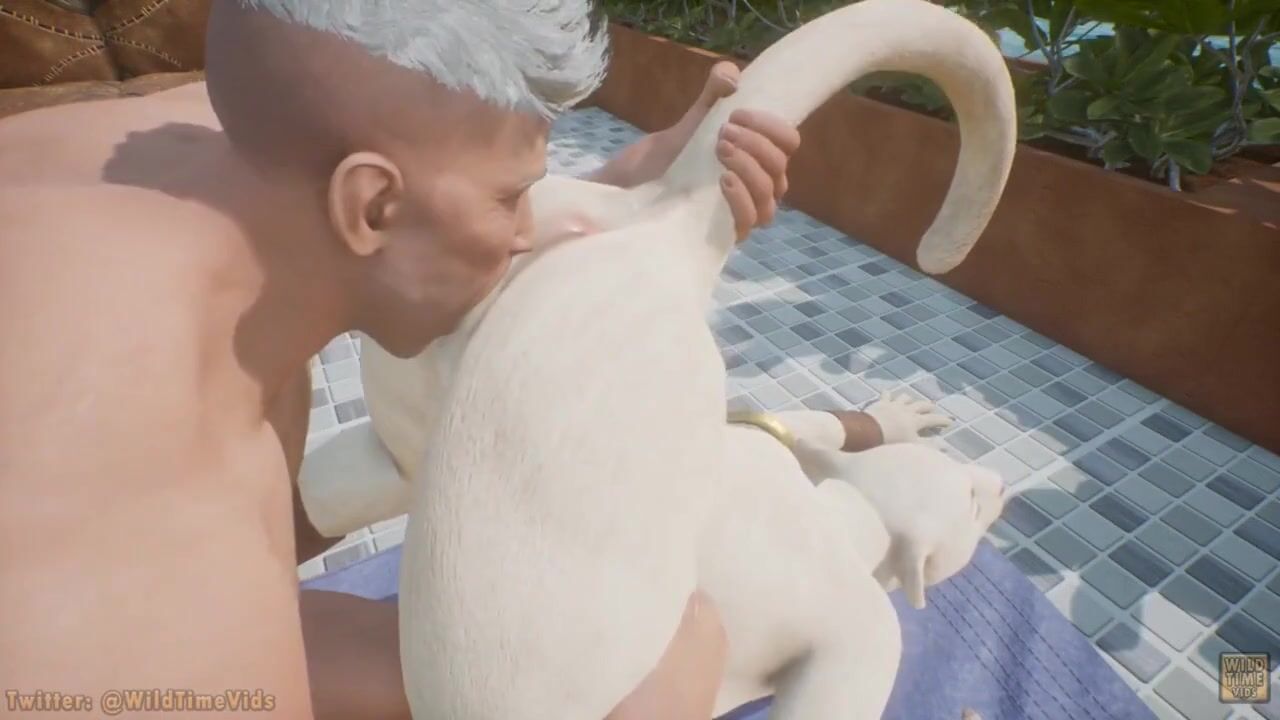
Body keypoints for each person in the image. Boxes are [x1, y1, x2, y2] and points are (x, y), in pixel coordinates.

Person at [0, 1, 803, 718]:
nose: (527, 231)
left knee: (430, 672)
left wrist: (659, 180)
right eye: (510, 199)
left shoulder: (232, 140)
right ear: (372, 205)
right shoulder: (132, 483)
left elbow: (443, 205)